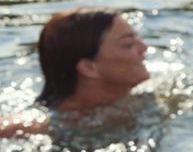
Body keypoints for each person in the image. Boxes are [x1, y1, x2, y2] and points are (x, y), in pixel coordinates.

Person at [1, 8, 150, 137]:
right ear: (89, 68)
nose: (144, 46)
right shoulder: (28, 128)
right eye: (128, 44)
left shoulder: (155, 95)